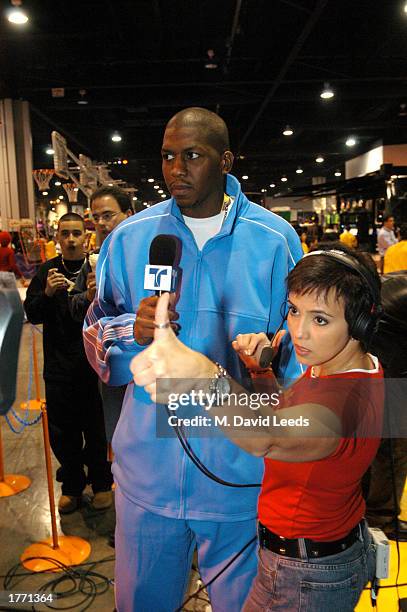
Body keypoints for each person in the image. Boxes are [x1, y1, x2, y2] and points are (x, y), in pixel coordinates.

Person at [83, 107, 303, 611]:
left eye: (192, 156)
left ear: (225, 160)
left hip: (239, 479)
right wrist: (129, 330)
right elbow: (95, 334)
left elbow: (302, 355)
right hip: (147, 478)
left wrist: (269, 367)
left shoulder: (274, 241)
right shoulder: (131, 238)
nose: (175, 169)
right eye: (167, 156)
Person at [132, 248, 384, 612]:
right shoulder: (345, 365)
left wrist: (204, 376)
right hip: (310, 557)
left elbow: (268, 436)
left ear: (361, 322)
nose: (299, 332)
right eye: (295, 311)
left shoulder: (343, 403)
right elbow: (290, 418)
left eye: (321, 320)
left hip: (307, 575)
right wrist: (261, 373)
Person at [24, 213, 113, 514]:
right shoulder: (46, 271)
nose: (72, 239)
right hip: (59, 368)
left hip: (93, 367)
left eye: (77, 233)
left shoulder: (98, 267)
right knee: (63, 434)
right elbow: (32, 313)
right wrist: (47, 293)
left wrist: (94, 294)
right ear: (58, 239)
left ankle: (101, 483)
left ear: (85, 238)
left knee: (96, 431)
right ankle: (72, 486)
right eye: (66, 234)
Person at [70, 186, 133, 443]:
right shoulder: (95, 261)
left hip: (155, 365)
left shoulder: (148, 252)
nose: (101, 223)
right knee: (121, 441)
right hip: (113, 369)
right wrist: (88, 297)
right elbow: (73, 309)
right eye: (95, 218)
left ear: (128, 214)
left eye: (108, 215)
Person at [365, 271, 407, 537]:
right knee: (394, 449)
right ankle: (383, 519)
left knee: (377, 448)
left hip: (369, 367)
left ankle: (372, 513)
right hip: (388, 374)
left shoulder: (398, 282)